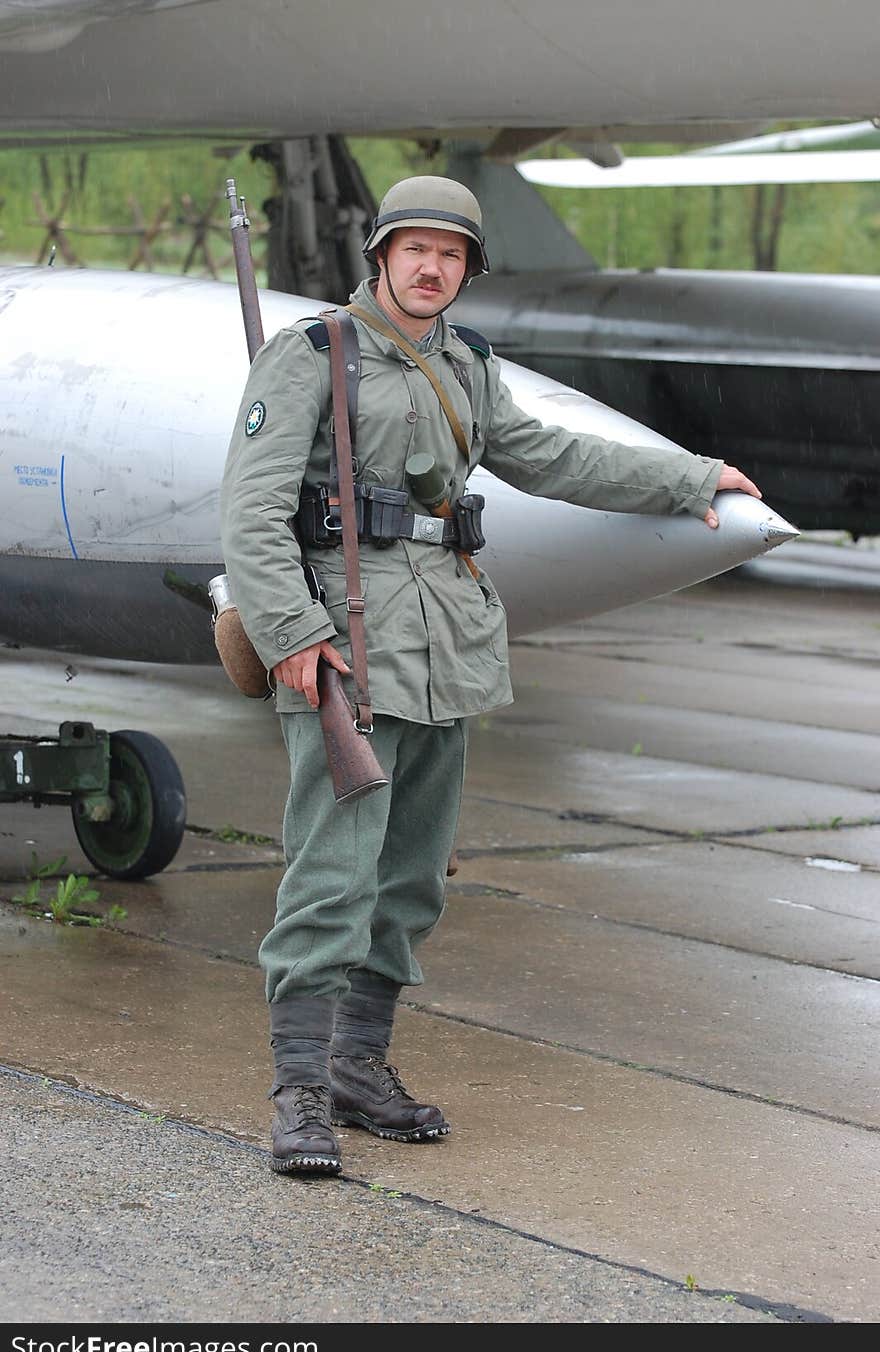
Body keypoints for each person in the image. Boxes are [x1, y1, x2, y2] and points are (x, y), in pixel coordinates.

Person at [219, 174, 761, 1178]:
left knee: (413, 873)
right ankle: (297, 1091)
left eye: (452, 254)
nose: (432, 267)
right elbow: (249, 509)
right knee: (331, 874)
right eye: (415, 248)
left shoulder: (465, 363)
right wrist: (291, 630)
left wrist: (690, 477)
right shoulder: (312, 355)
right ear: (379, 255)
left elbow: (549, 457)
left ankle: (357, 1066)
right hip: (350, 642)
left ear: (466, 270)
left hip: (446, 639)